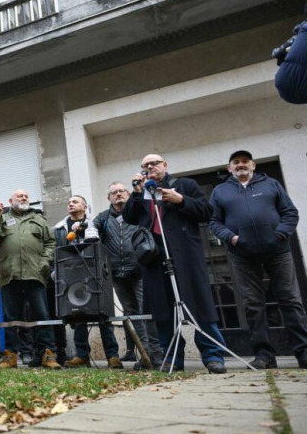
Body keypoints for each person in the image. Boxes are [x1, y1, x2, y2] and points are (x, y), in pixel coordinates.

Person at [125, 154, 227, 374]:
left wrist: (181, 200)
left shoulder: (185, 185)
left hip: (185, 254)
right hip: (154, 256)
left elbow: (206, 212)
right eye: (145, 165)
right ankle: (172, 357)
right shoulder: (143, 191)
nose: (150, 167)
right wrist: (136, 192)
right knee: (162, 310)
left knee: (199, 304)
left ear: (165, 165)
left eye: (154, 163)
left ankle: (213, 355)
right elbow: (129, 218)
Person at [209, 150, 307, 369]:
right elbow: (214, 222)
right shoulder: (220, 191)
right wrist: (231, 238)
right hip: (242, 255)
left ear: (253, 165)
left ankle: (304, 352)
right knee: (252, 304)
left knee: (291, 300)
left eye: (245, 161)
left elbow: (290, 213)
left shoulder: (271, 184)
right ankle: (264, 356)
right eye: (236, 162)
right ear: (229, 168)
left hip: (278, 252)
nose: (241, 165)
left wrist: (280, 233)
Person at [94, 182, 164, 368]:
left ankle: (156, 353)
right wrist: (82, 227)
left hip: (140, 269)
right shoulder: (103, 217)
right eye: (114, 192)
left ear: (128, 194)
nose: (118, 194)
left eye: (122, 191)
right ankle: (145, 355)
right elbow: (92, 230)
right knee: (131, 314)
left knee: (146, 312)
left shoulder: (138, 212)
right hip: (117, 273)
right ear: (108, 198)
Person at [0, 189, 60, 369]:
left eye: (26, 196)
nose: (23, 198)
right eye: (19, 196)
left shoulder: (39, 220)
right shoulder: (3, 219)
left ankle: (47, 354)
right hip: (10, 274)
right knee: (10, 317)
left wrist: (44, 262)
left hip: (35, 273)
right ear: (10, 201)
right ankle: (10, 356)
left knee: (42, 315)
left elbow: (50, 242)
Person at [54, 195, 122, 369]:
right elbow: (57, 250)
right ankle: (82, 356)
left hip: (95, 274)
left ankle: (112, 356)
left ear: (85, 207)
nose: (70, 204)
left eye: (75, 202)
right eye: (69, 202)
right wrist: (56, 272)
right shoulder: (60, 228)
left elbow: (104, 245)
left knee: (103, 315)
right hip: (71, 275)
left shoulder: (95, 224)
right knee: (78, 314)